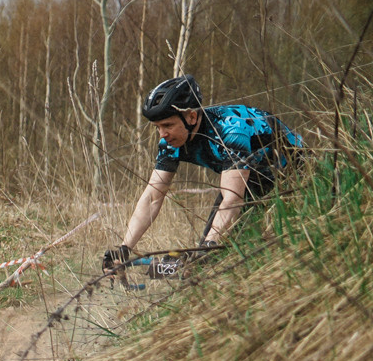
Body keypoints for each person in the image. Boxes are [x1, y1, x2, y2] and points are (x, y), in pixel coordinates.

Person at [103, 74, 300, 278]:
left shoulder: (230, 129)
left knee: (222, 258)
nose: (162, 134)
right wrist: (124, 249)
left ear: (192, 117)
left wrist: (208, 248)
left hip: (296, 178)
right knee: (205, 263)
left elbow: (232, 199)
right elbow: (153, 197)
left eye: (168, 125)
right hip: (253, 181)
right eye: (157, 127)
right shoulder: (170, 142)